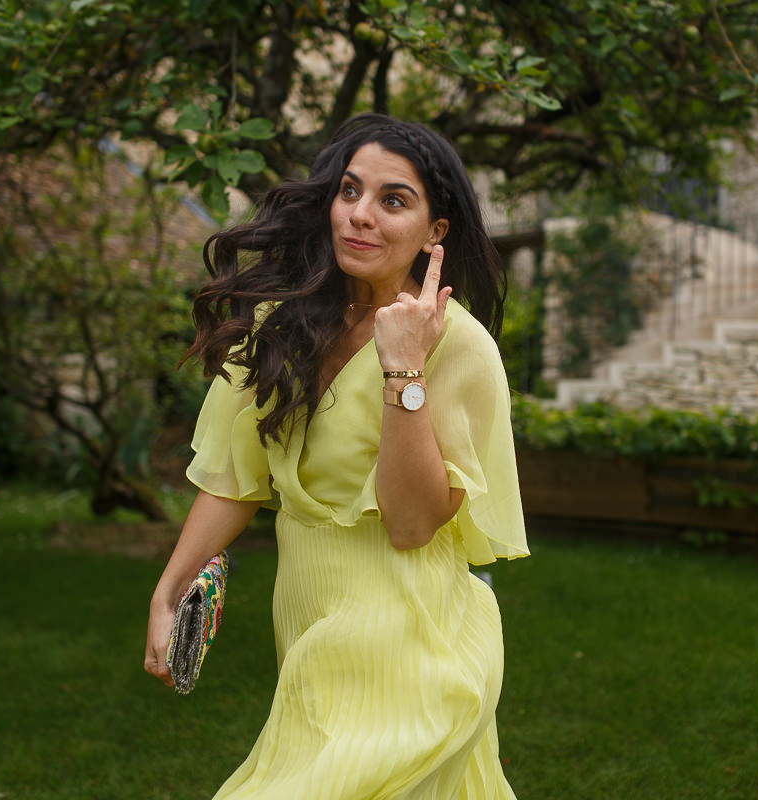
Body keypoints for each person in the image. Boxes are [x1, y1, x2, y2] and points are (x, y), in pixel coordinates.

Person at [144, 113, 530, 799]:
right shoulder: (281, 321)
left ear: (435, 232)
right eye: (349, 191)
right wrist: (171, 587)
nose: (359, 215)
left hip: (413, 634)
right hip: (309, 628)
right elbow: (237, 477)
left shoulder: (459, 347)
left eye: (393, 200)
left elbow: (413, 525)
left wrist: (402, 369)